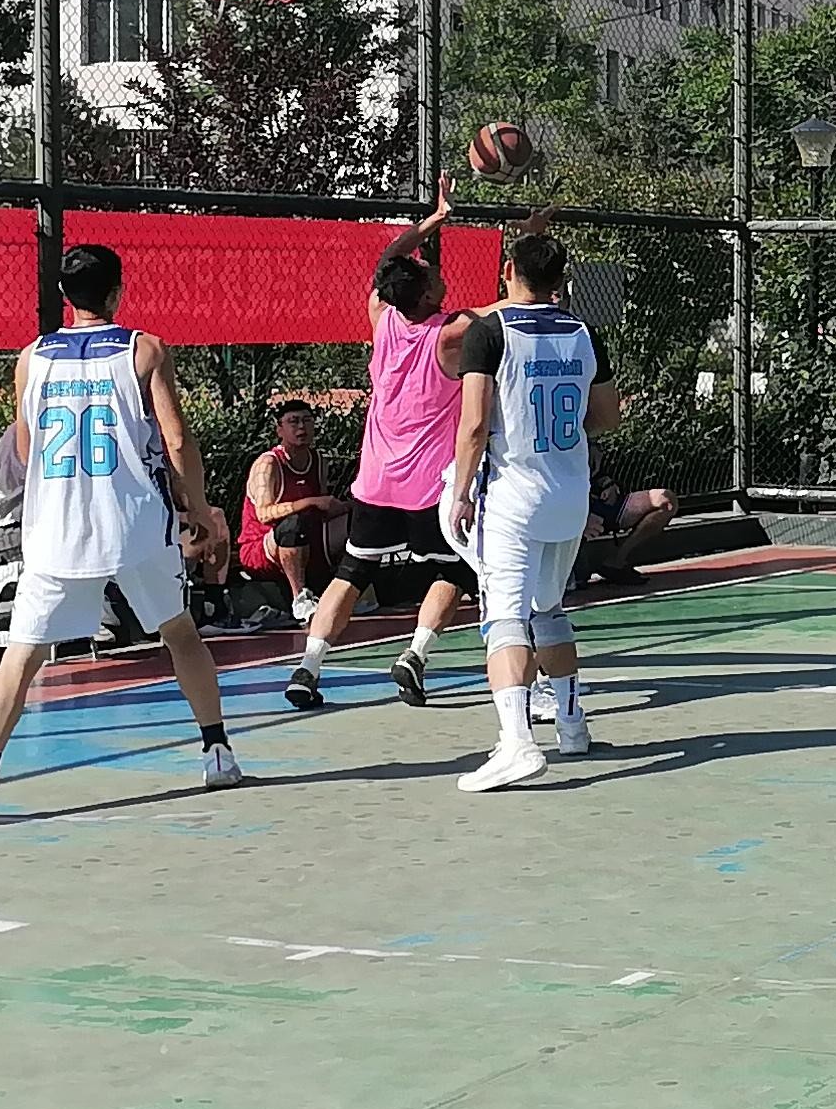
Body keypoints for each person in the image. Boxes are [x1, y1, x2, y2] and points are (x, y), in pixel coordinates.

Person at [0, 243, 244, 825]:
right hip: (134, 526)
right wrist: (199, 508)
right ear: (118, 292)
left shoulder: (32, 358)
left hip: (56, 534)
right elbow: (177, 440)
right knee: (180, 634)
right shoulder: (143, 349)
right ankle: (217, 753)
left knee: (20, 660)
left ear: (63, 295)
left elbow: (25, 448)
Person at [283, 178, 487, 713]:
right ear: (427, 296)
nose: (437, 272)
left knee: (353, 572)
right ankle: (415, 655)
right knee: (454, 571)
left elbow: (385, 263)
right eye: (431, 274)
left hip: (375, 481)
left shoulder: (383, 318)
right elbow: (510, 308)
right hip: (427, 489)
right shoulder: (450, 333)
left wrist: (434, 220)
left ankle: (308, 667)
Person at [447, 231, 603, 792]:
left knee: (504, 617)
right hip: (570, 493)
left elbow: (473, 425)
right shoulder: (585, 333)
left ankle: (516, 743)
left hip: (513, 495)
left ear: (508, 269)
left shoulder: (490, 332)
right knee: (549, 607)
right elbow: (606, 415)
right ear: (561, 278)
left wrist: (461, 491)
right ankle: (572, 725)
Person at [238, 399, 342, 625]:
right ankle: (300, 599)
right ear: (280, 429)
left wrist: (344, 508)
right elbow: (264, 514)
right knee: (293, 524)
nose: (301, 427)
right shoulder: (268, 464)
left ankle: (352, 587)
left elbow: (321, 512)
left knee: (353, 519)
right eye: (293, 422)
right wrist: (310, 501)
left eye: (307, 420)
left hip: (307, 540)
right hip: (263, 547)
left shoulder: (318, 460)